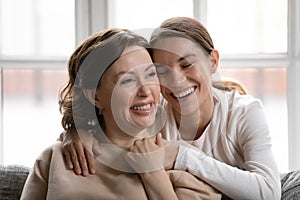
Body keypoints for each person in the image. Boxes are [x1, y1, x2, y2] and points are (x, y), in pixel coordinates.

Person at [61, 17, 282, 200]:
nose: (176, 81)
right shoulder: (155, 113)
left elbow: (268, 192)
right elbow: (112, 125)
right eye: (161, 72)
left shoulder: (244, 113)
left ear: (213, 62)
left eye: (186, 64)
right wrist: (76, 131)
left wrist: (181, 155)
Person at [20, 28, 221, 200]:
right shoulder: (55, 158)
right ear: (95, 97)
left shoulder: (183, 161)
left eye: (151, 74)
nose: (145, 91)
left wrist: (153, 174)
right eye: (127, 80)